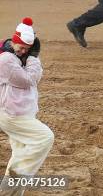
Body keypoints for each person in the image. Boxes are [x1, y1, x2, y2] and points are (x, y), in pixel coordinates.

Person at [0, 18, 54, 195]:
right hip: (12, 114)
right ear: (13, 41)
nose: (23, 51)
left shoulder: (17, 56)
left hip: (20, 112)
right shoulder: (6, 60)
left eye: (27, 49)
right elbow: (29, 80)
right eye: (21, 47)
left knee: (20, 152)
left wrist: (30, 58)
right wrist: (33, 58)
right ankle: (9, 185)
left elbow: (34, 78)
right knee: (45, 138)